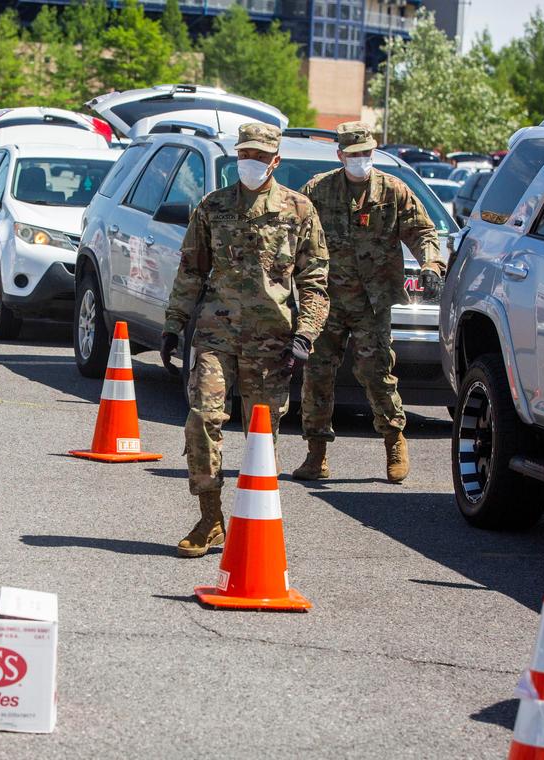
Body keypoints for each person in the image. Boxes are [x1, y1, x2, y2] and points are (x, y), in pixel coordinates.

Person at [161, 123, 330, 558]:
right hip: (217, 333)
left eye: (259, 156)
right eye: (245, 155)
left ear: (275, 161)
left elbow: (314, 280)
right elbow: (192, 270)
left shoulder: (298, 210)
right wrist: (173, 322)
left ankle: (253, 523)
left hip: (272, 341)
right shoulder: (212, 207)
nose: (250, 163)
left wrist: (306, 333)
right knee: (202, 417)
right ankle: (209, 517)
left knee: (261, 438)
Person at [293, 121, 444, 484]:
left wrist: (431, 264)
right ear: (340, 155)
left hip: (372, 302)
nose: (361, 160)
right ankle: (316, 454)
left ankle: (394, 440)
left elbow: (422, 231)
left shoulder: (392, 191)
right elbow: (292, 232)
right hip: (325, 301)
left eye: (366, 154)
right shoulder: (319, 190)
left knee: (377, 373)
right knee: (317, 376)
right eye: (354, 154)